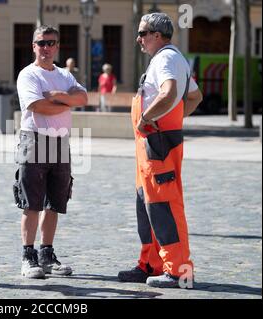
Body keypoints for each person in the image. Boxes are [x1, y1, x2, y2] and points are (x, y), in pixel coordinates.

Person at [117, 13, 202, 288]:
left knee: (164, 206)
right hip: (154, 144)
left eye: (142, 33)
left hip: (157, 144)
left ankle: (178, 271)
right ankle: (151, 264)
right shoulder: (174, 57)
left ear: (156, 35)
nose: (138, 38)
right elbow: (194, 97)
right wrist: (173, 119)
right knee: (148, 206)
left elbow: (169, 92)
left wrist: (148, 119)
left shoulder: (165, 58)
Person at [14, 25, 88, 279]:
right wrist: (65, 103)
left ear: (57, 46)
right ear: (33, 46)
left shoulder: (64, 76)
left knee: (55, 203)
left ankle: (46, 255)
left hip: (60, 143)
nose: (46, 47)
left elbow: (83, 98)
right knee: (31, 203)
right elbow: (36, 105)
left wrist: (57, 97)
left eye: (51, 43)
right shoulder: (28, 75)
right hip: (33, 141)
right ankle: (28, 256)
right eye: (41, 43)